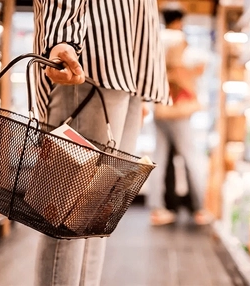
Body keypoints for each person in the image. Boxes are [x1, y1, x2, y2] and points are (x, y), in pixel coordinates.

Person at [32, 1, 169, 285]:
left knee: (96, 218)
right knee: (67, 220)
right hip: (89, 57)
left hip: (130, 62)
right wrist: (62, 38)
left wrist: (140, 84)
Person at [148, 7, 212, 226]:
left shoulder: (155, 38)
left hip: (159, 106)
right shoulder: (179, 39)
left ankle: (156, 208)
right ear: (178, 21)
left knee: (159, 157)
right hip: (178, 109)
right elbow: (200, 65)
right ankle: (201, 208)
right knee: (191, 158)